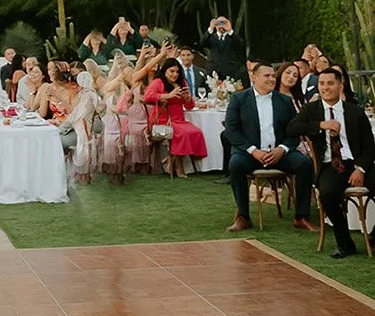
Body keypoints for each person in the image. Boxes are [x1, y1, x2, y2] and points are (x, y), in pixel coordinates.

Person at [288, 66, 375, 259]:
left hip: (356, 163)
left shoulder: (354, 112)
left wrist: (360, 169)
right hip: (331, 164)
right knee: (327, 195)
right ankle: (345, 244)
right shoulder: (312, 110)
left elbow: (370, 147)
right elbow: (291, 128)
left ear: (340, 85)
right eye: (321, 84)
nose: (325, 88)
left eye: (330, 83)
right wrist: (320, 125)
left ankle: (374, 235)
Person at [223, 62, 315, 234]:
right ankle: (243, 216)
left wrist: (282, 149)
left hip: (279, 153)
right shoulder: (239, 99)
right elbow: (231, 131)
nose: (272, 79)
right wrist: (253, 150)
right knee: (235, 165)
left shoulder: (285, 101)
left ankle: (301, 217)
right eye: (267, 76)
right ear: (254, 77)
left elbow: (294, 131)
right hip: (250, 154)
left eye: (273, 76)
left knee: (304, 164)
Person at [143, 58, 209, 177]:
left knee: (196, 132)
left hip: (179, 119)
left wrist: (188, 99)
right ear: (165, 71)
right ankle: (178, 166)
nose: (175, 74)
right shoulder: (159, 82)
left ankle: (171, 160)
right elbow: (148, 96)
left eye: (177, 72)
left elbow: (189, 106)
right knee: (181, 133)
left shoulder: (182, 82)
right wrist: (168, 95)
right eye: (172, 71)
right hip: (162, 120)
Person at [205, 17, 246, 84]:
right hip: (213, 71)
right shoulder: (211, 37)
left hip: (229, 71)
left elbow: (240, 44)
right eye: (219, 23)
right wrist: (211, 28)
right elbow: (202, 43)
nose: (221, 25)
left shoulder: (232, 37)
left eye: (223, 23)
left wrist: (230, 30)